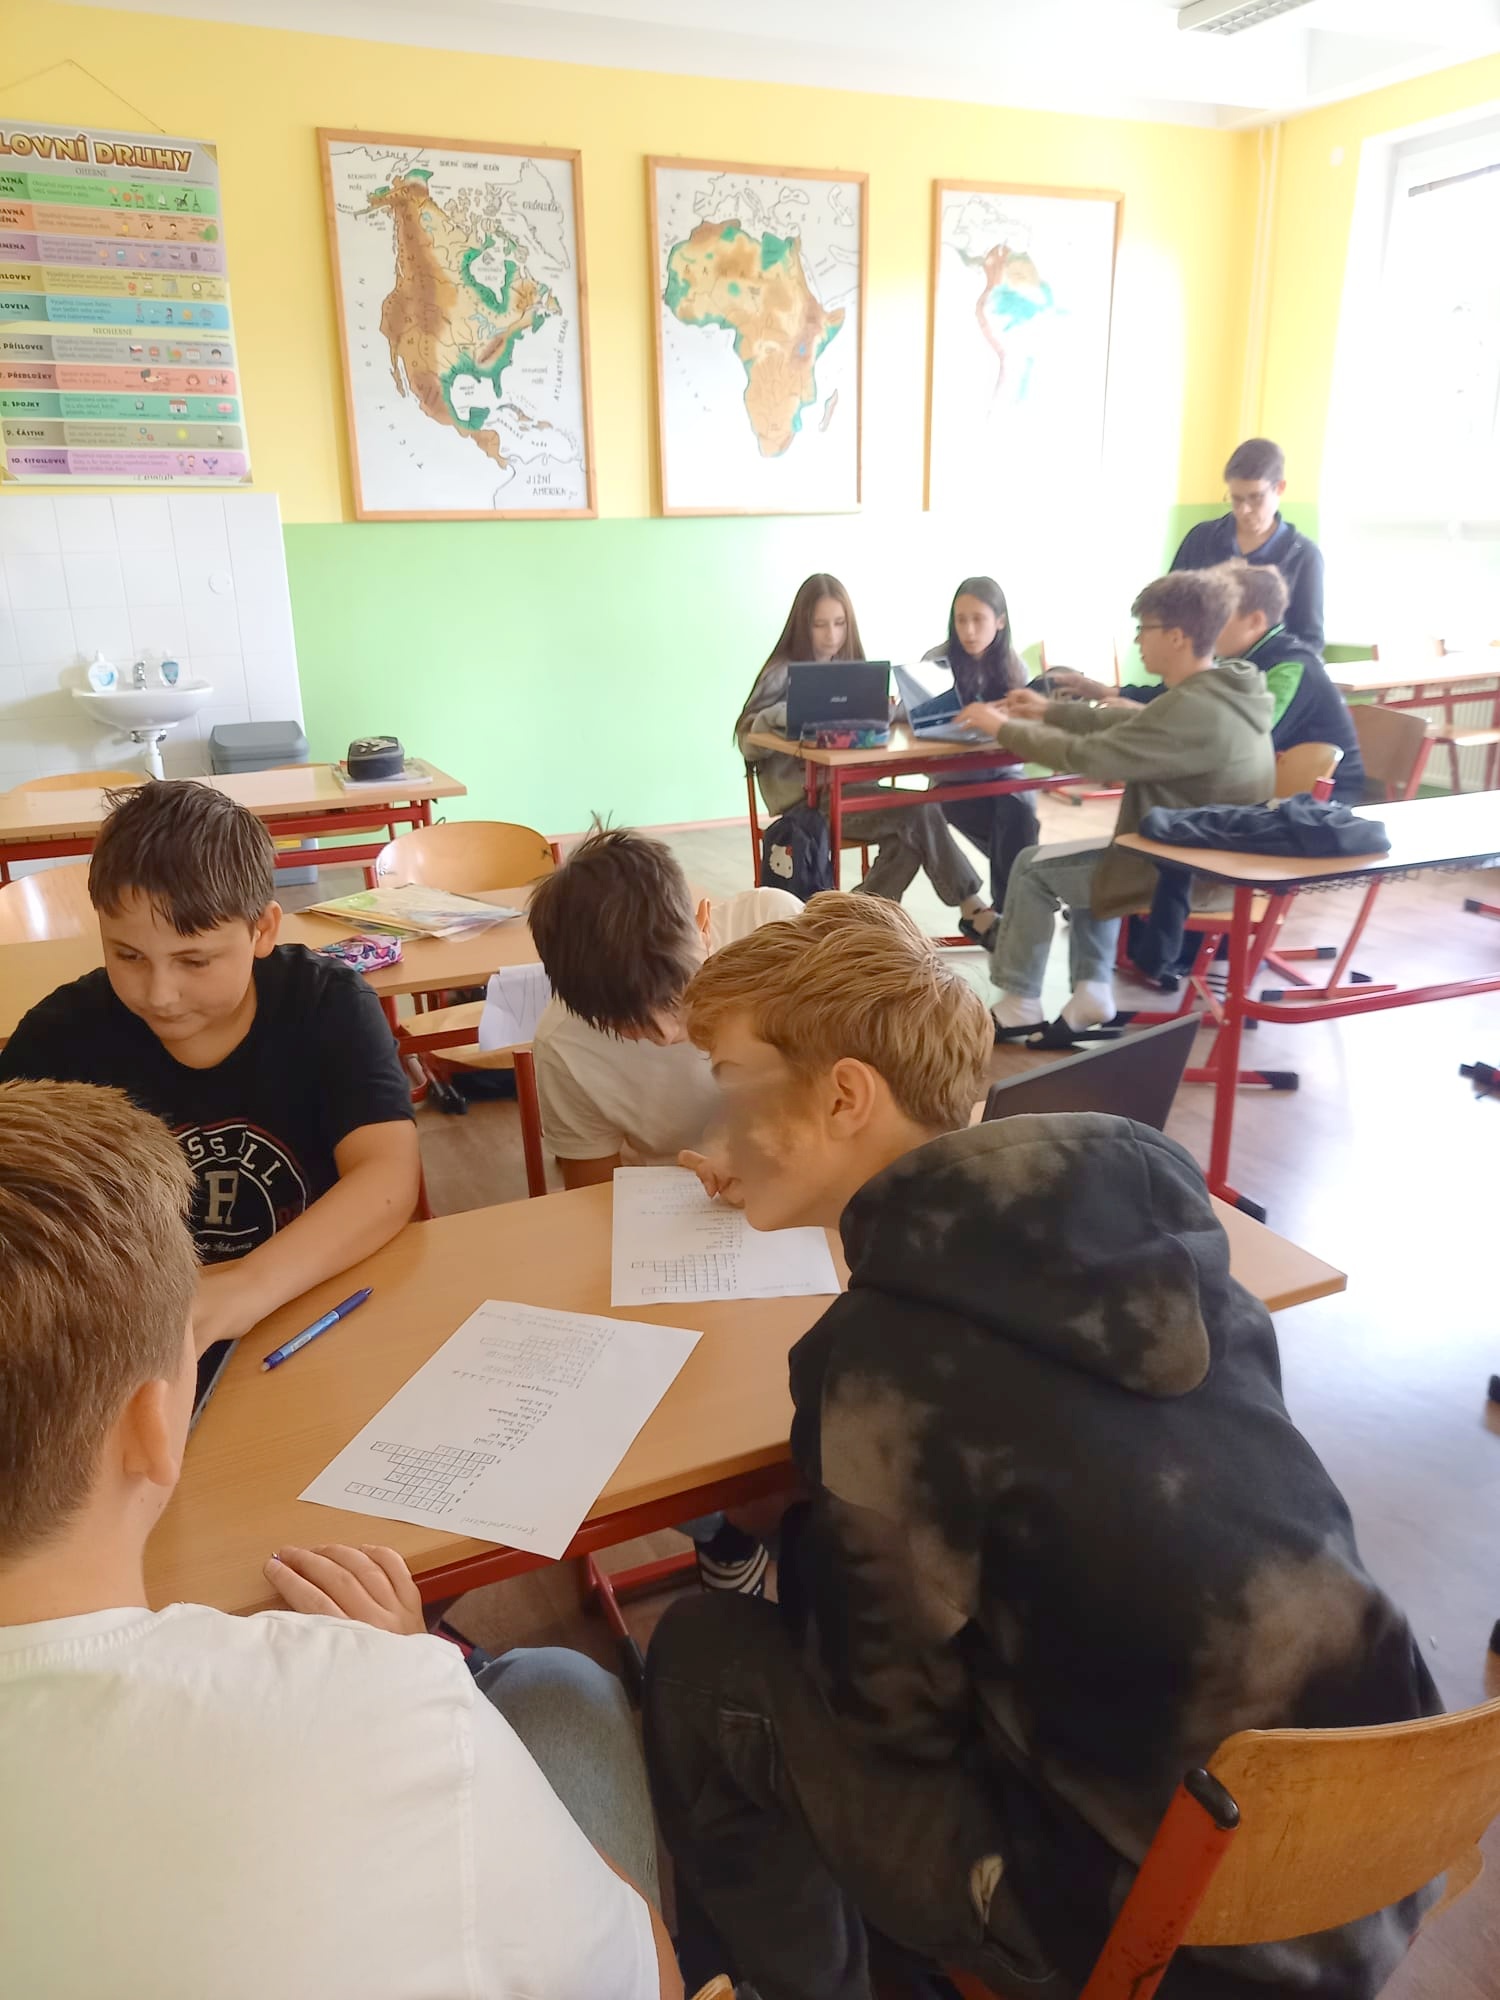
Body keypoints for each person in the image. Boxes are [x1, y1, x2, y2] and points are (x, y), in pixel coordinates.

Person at [647, 893, 1442, 2000]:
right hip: (1382, 1845)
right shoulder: (1160, 1229)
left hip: (1179, 1939)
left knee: (701, 1660)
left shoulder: (880, 1361)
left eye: (730, 1084)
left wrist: (811, 1546)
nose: (712, 1125)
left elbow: (888, 1719)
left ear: (843, 1095)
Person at [0, 1077, 677, 2000]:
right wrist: (420, 1670)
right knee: (562, 1687)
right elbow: (652, 1978)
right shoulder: (381, 1701)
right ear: (156, 1425)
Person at [0, 780, 420, 1364]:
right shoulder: (60, 1038)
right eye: (127, 955)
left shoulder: (327, 1004)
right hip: (135, 1338)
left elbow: (388, 1175)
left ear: (263, 930)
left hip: (307, 1302)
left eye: (194, 961)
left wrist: (247, 1285)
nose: (159, 993)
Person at [528, 823, 800, 1595]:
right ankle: (726, 1537)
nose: (666, 1032)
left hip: (808, 1208)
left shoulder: (780, 934)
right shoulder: (566, 1045)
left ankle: (802, 1532)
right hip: (685, 1238)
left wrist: (754, 1145)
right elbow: (596, 1208)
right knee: (664, 1415)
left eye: (676, 999)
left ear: (706, 920)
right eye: (629, 1026)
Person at [956, 570, 1273, 1036]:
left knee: (1030, 868)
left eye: (1145, 629)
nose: (1138, 640)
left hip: (1186, 874)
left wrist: (1001, 727)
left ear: (1177, 636)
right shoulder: (1224, 691)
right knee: (1089, 860)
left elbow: (1088, 756)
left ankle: (1020, 1001)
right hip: (1208, 859)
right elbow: (1137, 725)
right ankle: (1092, 994)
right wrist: (1049, 710)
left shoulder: (1193, 709)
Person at [736, 572, 1001, 941]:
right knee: (920, 812)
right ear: (802, 625)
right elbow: (748, 737)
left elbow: (864, 725)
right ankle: (971, 907)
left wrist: (894, 709)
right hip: (807, 802)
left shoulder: (850, 670)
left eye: (840, 623)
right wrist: (790, 715)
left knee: (907, 839)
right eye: (820, 625)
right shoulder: (782, 673)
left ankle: (850, 926)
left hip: (852, 788)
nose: (832, 635)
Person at [919, 576, 1039, 911]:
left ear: (1000, 622)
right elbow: (914, 718)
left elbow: (1025, 724)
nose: (968, 631)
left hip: (1004, 775)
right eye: (961, 620)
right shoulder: (936, 661)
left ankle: (1007, 911)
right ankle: (1019, 905)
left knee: (1016, 811)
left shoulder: (1013, 664)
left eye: (978, 620)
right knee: (1017, 832)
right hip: (953, 780)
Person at [1214, 561, 1365, 800]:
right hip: (1263, 785)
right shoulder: (1235, 659)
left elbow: (1250, 742)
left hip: (1320, 801)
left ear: (1255, 621)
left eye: (1219, 615)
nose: (1206, 624)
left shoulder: (1291, 668)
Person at [1172, 437, 1326, 650]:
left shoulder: (1304, 556)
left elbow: (1310, 641)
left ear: (1279, 488)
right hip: (1200, 666)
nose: (1244, 510)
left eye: (1255, 498)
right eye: (1236, 499)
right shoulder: (1201, 539)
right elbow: (1169, 610)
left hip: (1269, 669)